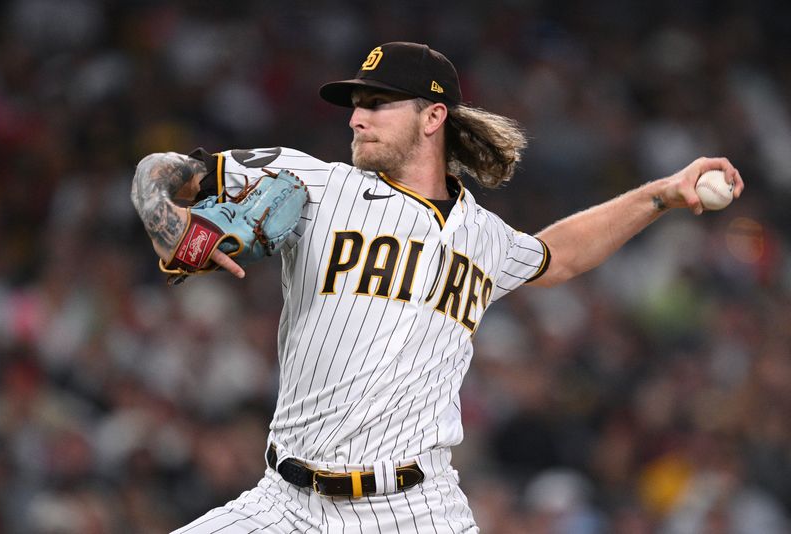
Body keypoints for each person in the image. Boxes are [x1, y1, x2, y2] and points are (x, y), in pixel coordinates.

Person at [131, 42, 744, 533]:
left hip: (417, 511)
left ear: (433, 117)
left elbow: (559, 255)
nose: (356, 116)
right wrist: (168, 221)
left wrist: (660, 194)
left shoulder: (485, 237)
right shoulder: (313, 184)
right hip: (285, 505)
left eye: (377, 102)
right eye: (356, 103)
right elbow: (158, 171)